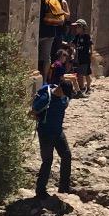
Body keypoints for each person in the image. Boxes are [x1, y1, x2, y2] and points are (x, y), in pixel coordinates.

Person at [32, 72, 75, 200]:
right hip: (45, 134)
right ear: (60, 88)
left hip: (58, 132)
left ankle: (64, 187)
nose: (65, 97)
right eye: (64, 93)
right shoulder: (46, 97)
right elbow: (32, 112)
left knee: (67, 156)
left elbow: (66, 102)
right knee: (47, 161)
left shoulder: (64, 97)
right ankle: (40, 191)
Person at [40, 0, 70, 73]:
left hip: (58, 32)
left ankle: (55, 73)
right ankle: (50, 75)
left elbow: (68, 16)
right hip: (53, 31)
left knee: (55, 53)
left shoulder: (62, 2)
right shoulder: (49, 1)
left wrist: (59, 11)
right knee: (49, 55)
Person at [70, 18, 94, 94]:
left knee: (86, 73)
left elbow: (90, 46)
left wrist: (90, 54)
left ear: (82, 28)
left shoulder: (86, 36)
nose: (76, 29)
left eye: (78, 27)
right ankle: (82, 87)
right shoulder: (77, 37)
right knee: (79, 73)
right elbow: (73, 44)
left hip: (85, 58)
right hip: (79, 58)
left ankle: (89, 87)